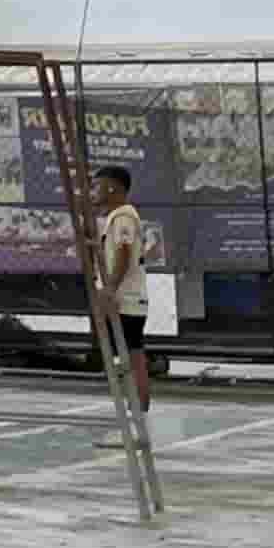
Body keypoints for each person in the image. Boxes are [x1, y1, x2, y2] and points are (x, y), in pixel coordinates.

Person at [95, 165, 157, 386]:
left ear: (112, 187)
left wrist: (110, 289)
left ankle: (138, 399)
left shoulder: (123, 217)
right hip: (126, 298)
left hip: (126, 300)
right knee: (132, 352)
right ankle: (137, 399)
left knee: (132, 354)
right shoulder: (117, 217)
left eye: (98, 186)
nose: (94, 192)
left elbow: (124, 252)